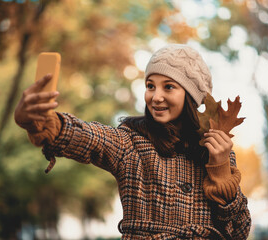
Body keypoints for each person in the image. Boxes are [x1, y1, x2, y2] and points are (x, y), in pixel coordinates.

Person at [14, 44, 251, 239]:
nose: (155, 97)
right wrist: (42, 123)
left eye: (168, 86)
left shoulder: (217, 149)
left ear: (191, 95)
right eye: (150, 86)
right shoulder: (132, 143)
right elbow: (90, 137)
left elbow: (240, 231)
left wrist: (220, 171)